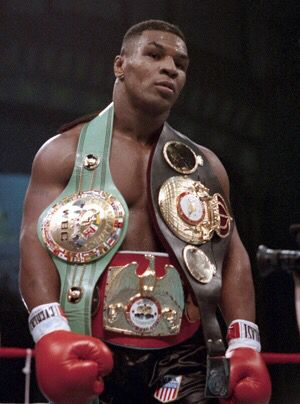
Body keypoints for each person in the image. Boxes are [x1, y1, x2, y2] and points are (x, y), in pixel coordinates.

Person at [19, 20, 271, 404]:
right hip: (91, 340)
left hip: (184, 352)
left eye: (180, 64)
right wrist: (50, 331)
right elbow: (34, 242)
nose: (170, 67)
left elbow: (231, 254)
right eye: (154, 55)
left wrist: (244, 342)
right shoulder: (62, 153)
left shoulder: (206, 166)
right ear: (120, 65)